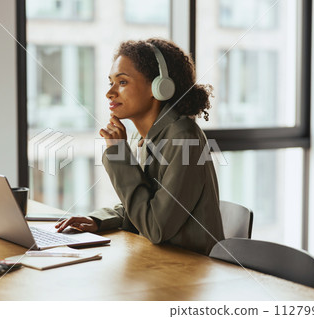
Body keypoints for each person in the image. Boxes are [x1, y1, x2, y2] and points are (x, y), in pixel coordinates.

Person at [55, 38, 224, 255]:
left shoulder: (183, 138)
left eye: (122, 82)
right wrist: (98, 220)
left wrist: (118, 154)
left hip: (192, 269)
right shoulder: (145, 137)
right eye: (111, 83)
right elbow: (145, 202)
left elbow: (155, 227)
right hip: (160, 263)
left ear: (158, 87)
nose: (110, 93)